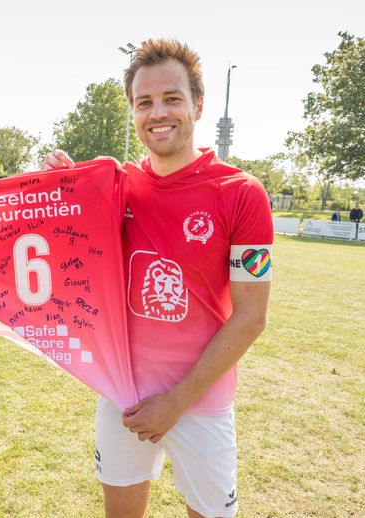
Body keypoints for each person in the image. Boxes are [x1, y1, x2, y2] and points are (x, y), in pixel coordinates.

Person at [41, 38, 272, 517]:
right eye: (144, 102)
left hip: (201, 400)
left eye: (171, 98)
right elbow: (63, 259)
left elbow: (251, 317)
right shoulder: (113, 187)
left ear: (198, 105)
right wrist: (56, 189)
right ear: (132, 111)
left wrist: (176, 402)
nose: (157, 112)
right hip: (123, 396)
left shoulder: (242, 194)